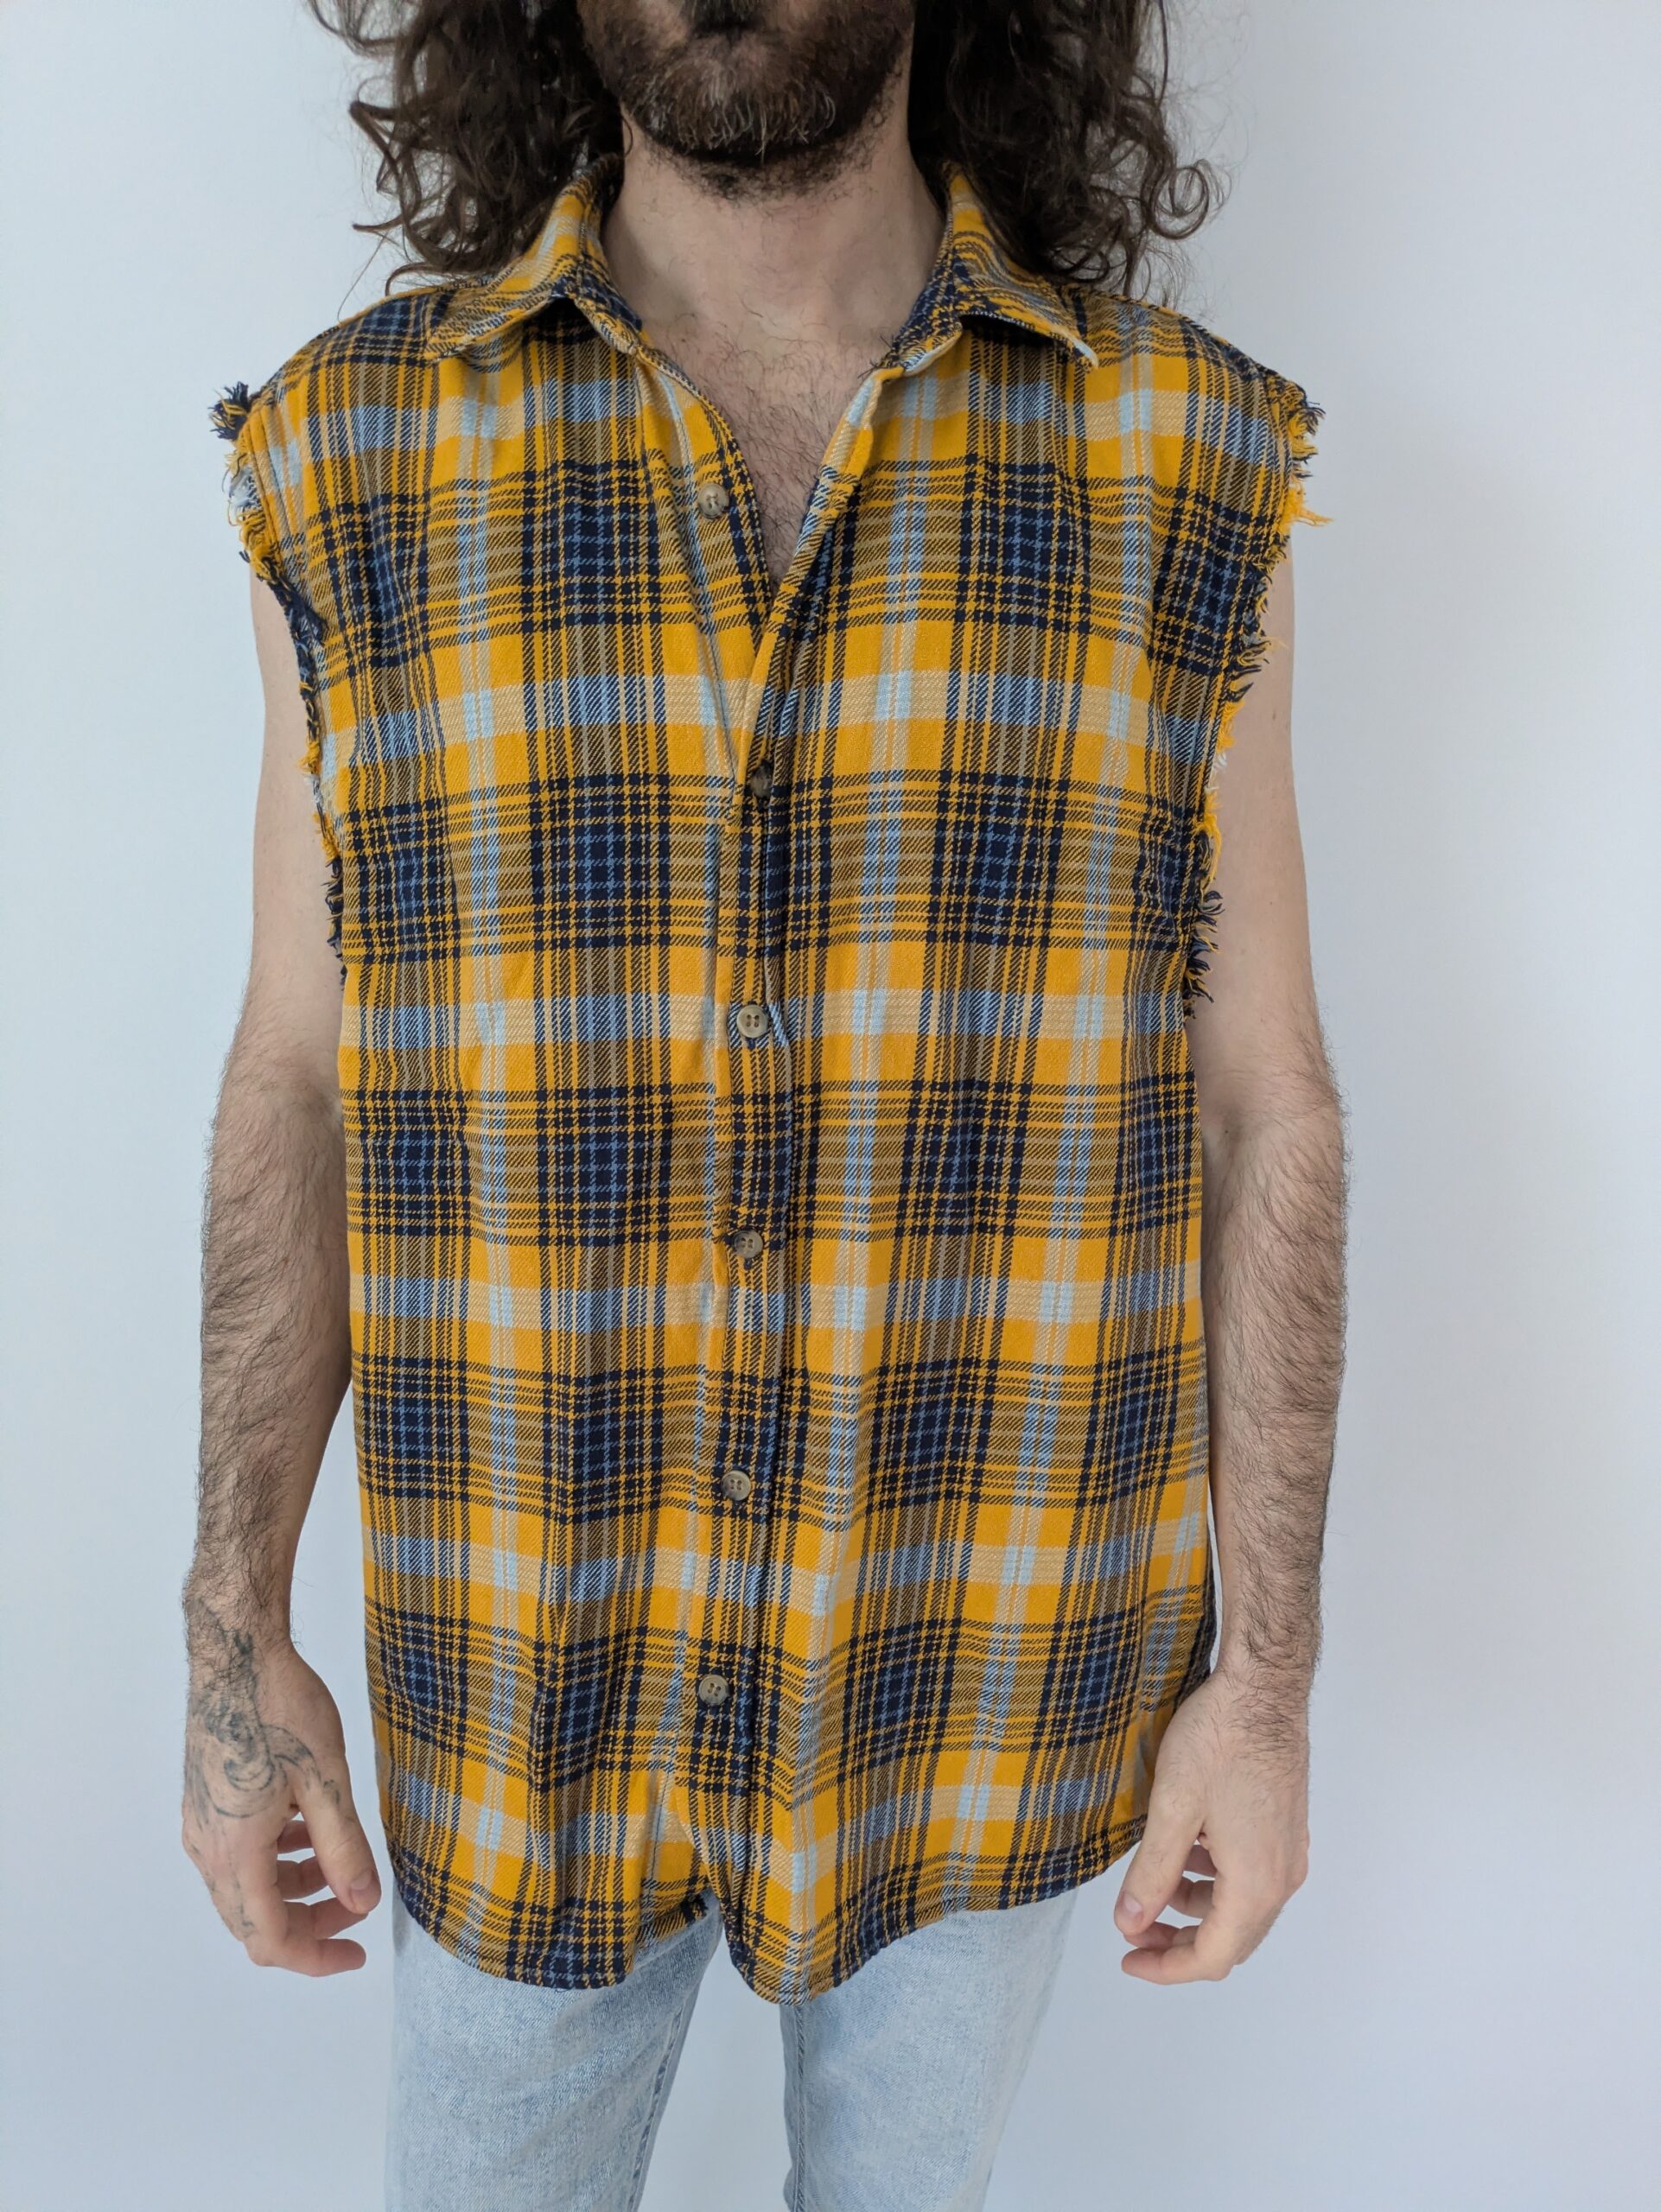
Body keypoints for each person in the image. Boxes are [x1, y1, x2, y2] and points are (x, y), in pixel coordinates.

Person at [181, 3, 1347, 2205]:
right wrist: (235, 1638)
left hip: (989, 1656)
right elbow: (300, 1077)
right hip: (521, 1666)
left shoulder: (1182, 463)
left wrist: (1263, 1682)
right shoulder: (354, 458)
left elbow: (1260, 1105)